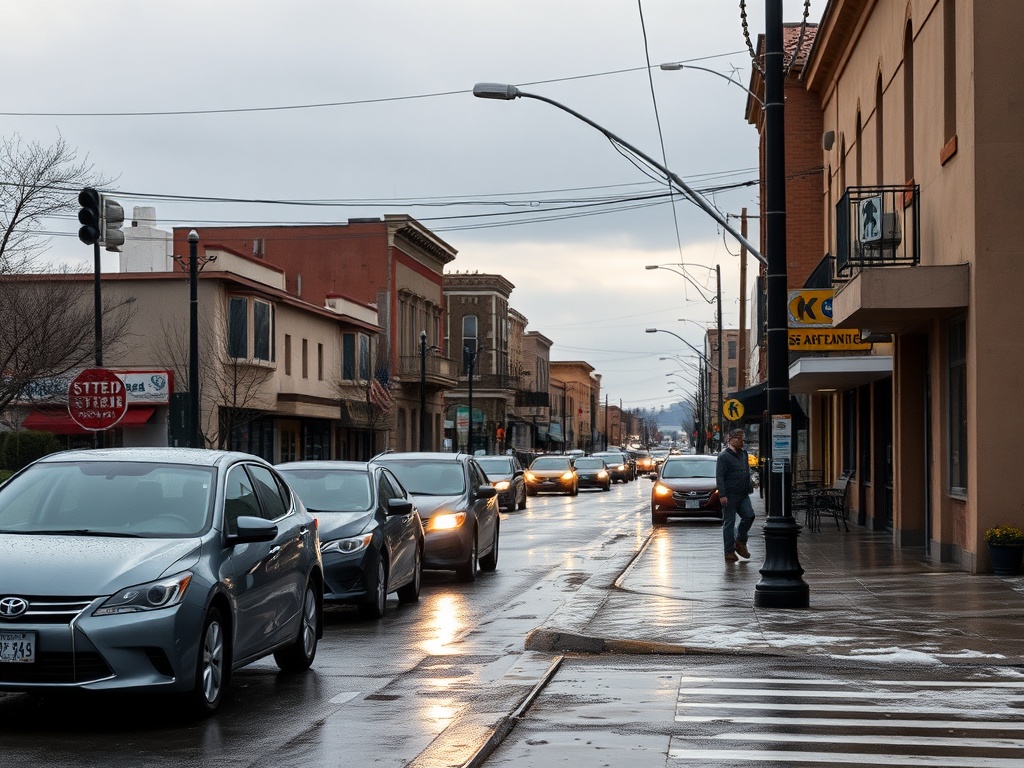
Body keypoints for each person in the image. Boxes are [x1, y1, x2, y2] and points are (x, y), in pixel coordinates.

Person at [716, 428, 755, 563]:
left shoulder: (743, 454)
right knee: (729, 523)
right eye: (739, 438)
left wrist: (750, 482)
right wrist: (722, 494)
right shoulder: (724, 456)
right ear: (731, 439)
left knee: (749, 516)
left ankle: (740, 541)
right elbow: (720, 476)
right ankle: (729, 552)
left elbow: (746, 471)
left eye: (743, 438)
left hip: (743, 493)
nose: (742, 441)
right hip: (730, 494)